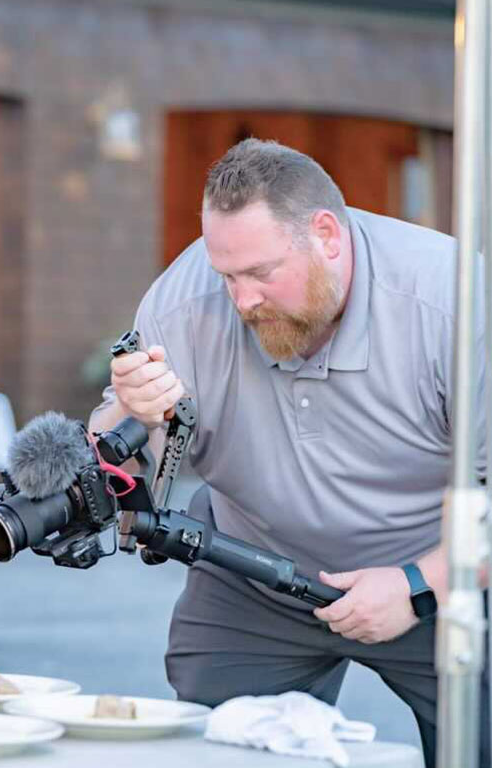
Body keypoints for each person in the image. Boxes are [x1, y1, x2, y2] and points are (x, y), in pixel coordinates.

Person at [89, 138, 488, 767]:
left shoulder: (452, 301)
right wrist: (129, 415)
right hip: (256, 573)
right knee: (212, 745)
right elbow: (118, 474)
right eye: (227, 275)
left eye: (261, 273)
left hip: (437, 573)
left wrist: (418, 584)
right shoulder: (182, 303)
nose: (242, 300)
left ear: (327, 235)